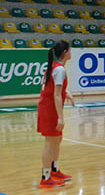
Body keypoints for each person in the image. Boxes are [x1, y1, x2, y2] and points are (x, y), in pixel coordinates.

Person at [37, 40, 75, 188]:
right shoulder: (59, 69)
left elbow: (54, 88)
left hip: (49, 107)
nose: (71, 52)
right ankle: (45, 177)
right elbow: (56, 95)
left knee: (57, 139)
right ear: (65, 53)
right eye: (70, 50)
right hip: (49, 109)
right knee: (50, 142)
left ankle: (54, 170)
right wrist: (60, 117)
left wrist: (67, 93)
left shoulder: (54, 66)